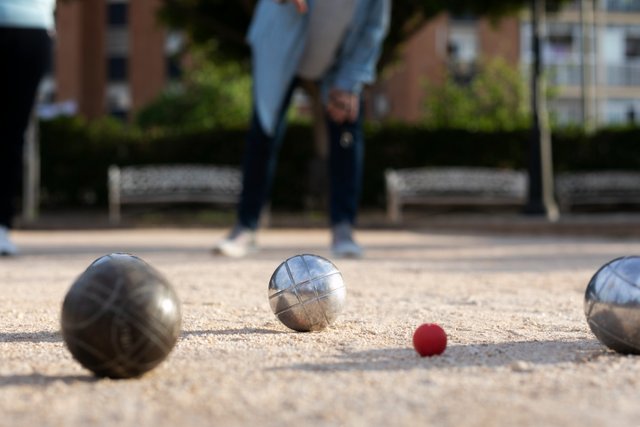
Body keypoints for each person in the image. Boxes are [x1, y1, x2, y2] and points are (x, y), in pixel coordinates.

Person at [214, 0, 390, 258]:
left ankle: (343, 228)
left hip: (337, 60)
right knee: (263, 134)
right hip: (279, 49)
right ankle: (245, 227)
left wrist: (349, 82)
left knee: (347, 134)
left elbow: (373, 30)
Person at [0, 0, 55, 256]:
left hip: (33, 26)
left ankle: (0, 226)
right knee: (11, 136)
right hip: (34, 29)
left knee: (12, 135)